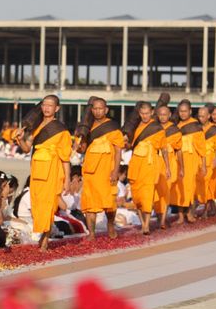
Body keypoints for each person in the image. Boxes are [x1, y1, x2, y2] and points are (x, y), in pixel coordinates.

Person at [13, 95, 71, 251]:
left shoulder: (61, 129)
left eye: (50, 105)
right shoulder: (37, 126)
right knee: (37, 203)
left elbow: (65, 158)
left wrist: (67, 179)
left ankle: (45, 238)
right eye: (44, 105)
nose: (46, 108)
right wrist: (20, 139)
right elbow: (27, 149)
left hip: (52, 170)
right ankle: (44, 233)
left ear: (56, 108)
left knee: (48, 205)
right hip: (37, 170)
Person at [78, 98, 124, 240]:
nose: (98, 111)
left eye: (100, 108)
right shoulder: (87, 126)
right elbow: (83, 149)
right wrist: (80, 144)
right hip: (91, 170)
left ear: (106, 110)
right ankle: (92, 233)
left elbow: (118, 151)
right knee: (90, 202)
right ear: (92, 110)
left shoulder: (112, 127)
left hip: (107, 170)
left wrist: (115, 171)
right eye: (95, 109)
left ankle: (110, 225)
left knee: (109, 201)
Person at [127, 101, 169, 235]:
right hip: (136, 163)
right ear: (139, 113)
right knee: (137, 195)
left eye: (147, 113)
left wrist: (167, 167)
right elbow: (130, 145)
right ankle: (142, 222)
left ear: (152, 113)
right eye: (142, 113)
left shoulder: (157, 128)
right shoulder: (135, 127)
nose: (145, 116)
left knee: (147, 193)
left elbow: (164, 149)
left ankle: (146, 225)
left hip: (150, 164)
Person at [152, 105, 183, 229]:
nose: (163, 117)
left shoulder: (174, 130)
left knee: (166, 191)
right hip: (155, 162)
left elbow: (179, 150)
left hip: (169, 163)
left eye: (165, 114)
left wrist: (182, 167)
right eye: (160, 114)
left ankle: (163, 219)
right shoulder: (153, 129)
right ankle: (160, 216)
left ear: (169, 115)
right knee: (156, 192)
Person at [175, 100, 206, 224]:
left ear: (190, 111)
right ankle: (181, 215)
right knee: (179, 188)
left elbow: (202, 148)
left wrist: (203, 165)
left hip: (192, 161)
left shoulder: (196, 127)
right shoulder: (176, 126)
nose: (182, 114)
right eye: (180, 111)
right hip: (178, 161)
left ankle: (190, 212)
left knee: (191, 187)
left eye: (185, 111)